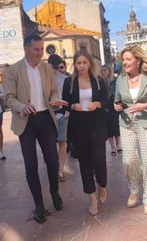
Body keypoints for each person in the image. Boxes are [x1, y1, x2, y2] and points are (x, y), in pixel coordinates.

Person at [3, 34, 68, 224]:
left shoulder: (47, 68)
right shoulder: (13, 71)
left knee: (52, 161)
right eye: (36, 49)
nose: (40, 53)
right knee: (31, 165)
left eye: (41, 49)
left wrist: (54, 100)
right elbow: (8, 98)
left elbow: (54, 90)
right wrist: (21, 106)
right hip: (26, 121)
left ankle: (55, 193)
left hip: (45, 119)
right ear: (26, 49)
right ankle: (39, 205)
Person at [114, 45, 147, 216]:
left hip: (146, 123)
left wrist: (146, 105)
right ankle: (135, 189)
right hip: (126, 123)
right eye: (124, 60)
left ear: (137, 61)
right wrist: (116, 106)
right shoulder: (120, 80)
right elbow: (117, 100)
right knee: (129, 159)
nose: (125, 62)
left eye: (128, 59)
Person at [62, 50, 109, 216]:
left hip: (97, 126)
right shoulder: (69, 82)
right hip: (79, 127)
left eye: (84, 63)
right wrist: (72, 106)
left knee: (99, 162)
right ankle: (91, 197)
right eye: (78, 63)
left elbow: (106, 100)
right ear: (74, 65)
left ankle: (102, 186)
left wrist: (97, 103)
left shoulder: (98, 81)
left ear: (90, 63)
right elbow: (65, 103)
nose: (81, 66)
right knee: (84, 164)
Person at [48, 54, 69, 182]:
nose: (56, 70)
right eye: (53, 67)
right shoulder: (43, 79)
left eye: (59, 67)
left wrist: (68, 111)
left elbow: (70, 96)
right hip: (49, 114)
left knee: (62, 141)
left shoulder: (65, 79)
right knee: (50, 143)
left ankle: (61, 169)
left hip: (63, 114)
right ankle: (53, 167)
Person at [100, 65, 122, 156]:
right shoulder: (100, 82)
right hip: (105, 107)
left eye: (105, 70)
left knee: (116, 126)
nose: (103, 72)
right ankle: (112, 147)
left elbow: (119, 92)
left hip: (114, 106)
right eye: (102, 70)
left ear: (109, 71)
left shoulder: (114, 81)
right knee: (108, 129)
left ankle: (119, 145)